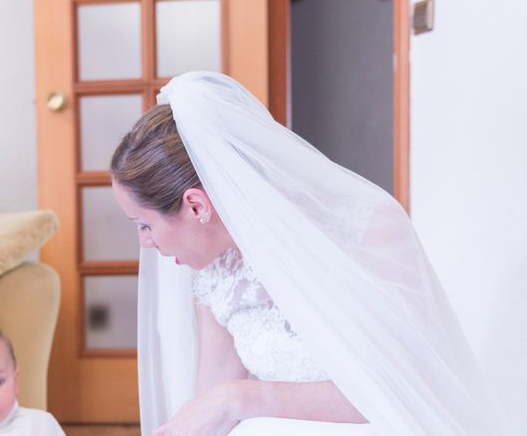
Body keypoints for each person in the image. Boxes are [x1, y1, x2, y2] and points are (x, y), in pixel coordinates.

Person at [111, 71, 507, 436]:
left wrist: (241, 398)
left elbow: (405, 386)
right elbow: (209, 405)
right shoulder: (216, 273)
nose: (147, 244)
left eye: (144, 226)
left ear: (196, 206)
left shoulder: (371, 228)